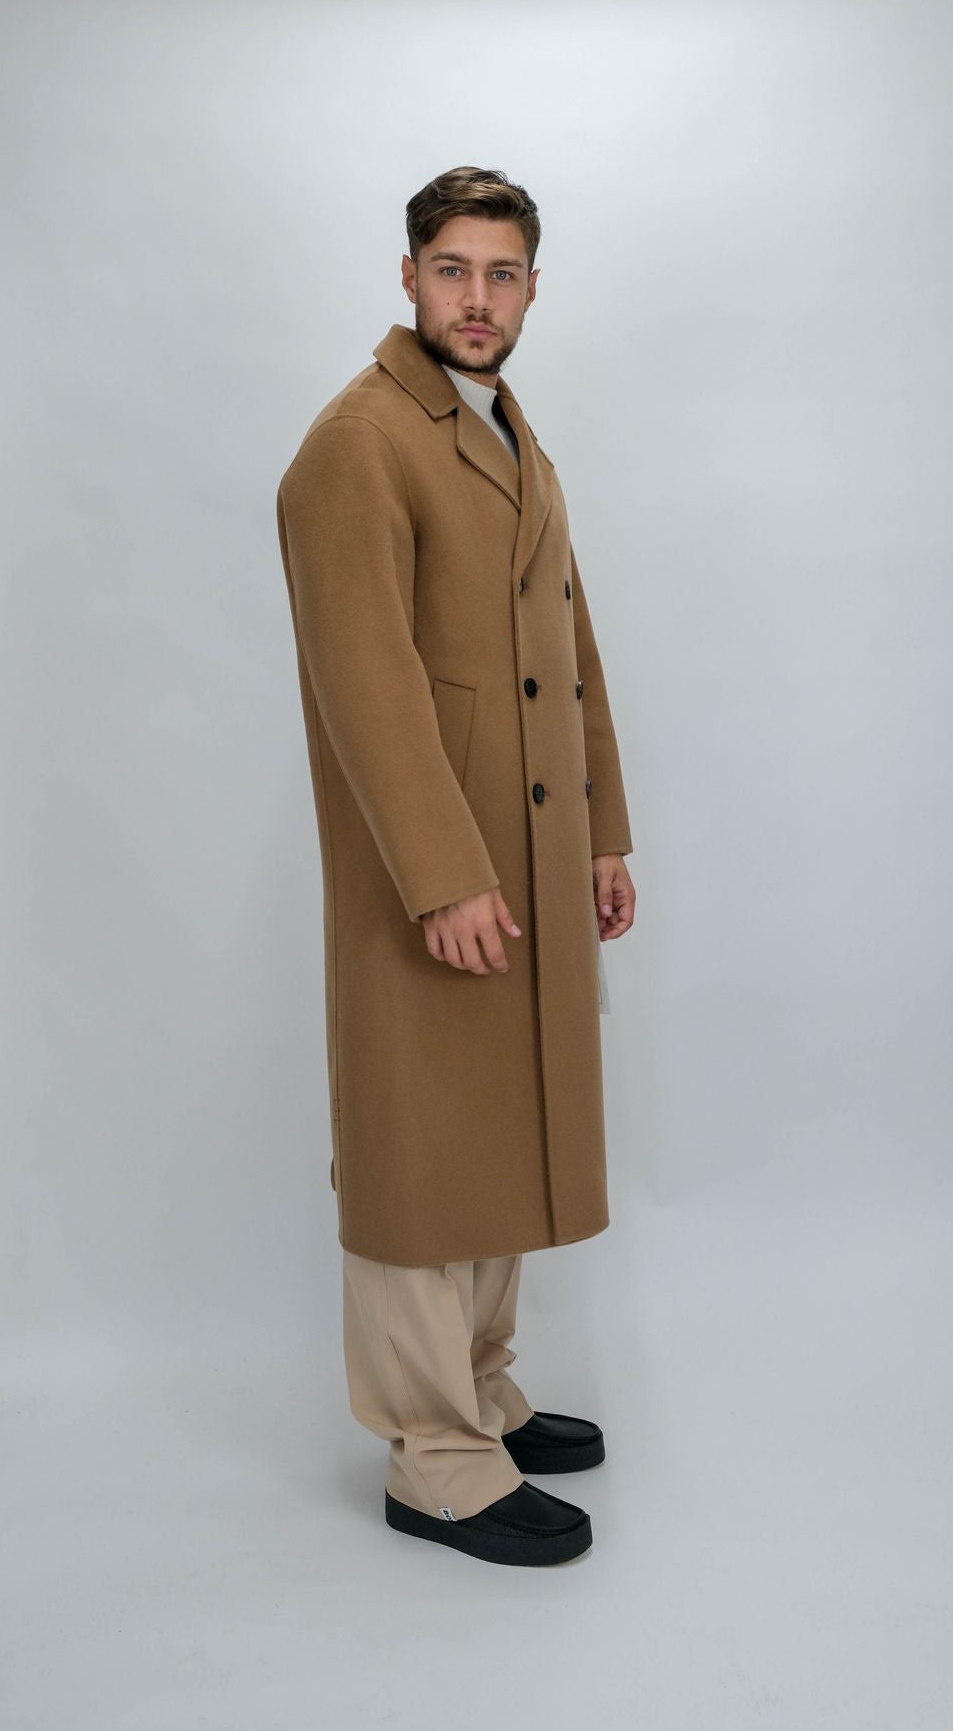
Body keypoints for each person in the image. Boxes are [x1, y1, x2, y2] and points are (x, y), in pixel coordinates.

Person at [275, 166, 636, 1565]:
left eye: (502, 274)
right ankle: (433, 1458)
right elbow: (365, 685)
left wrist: (602, 831)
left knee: (494, 1127)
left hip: (529, 854)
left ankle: (479, 1395)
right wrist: (441, 874)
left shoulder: (507, 429)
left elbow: (570, 644)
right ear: (408, 276)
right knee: (421, 1152)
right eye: (451, 270)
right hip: (433, 870)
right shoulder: (359, 441)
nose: (476, 299)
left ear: (532, 288)